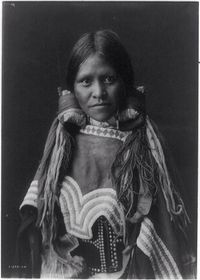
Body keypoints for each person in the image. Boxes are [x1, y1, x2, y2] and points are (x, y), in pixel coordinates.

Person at [14, 30, 195, 279]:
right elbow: (42, 219)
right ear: (72, 88)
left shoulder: (144, 141)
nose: (98, 91)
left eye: (108, 78)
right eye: (86, 81)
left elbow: (161, 223)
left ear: (124, 81)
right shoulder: (60, 143)